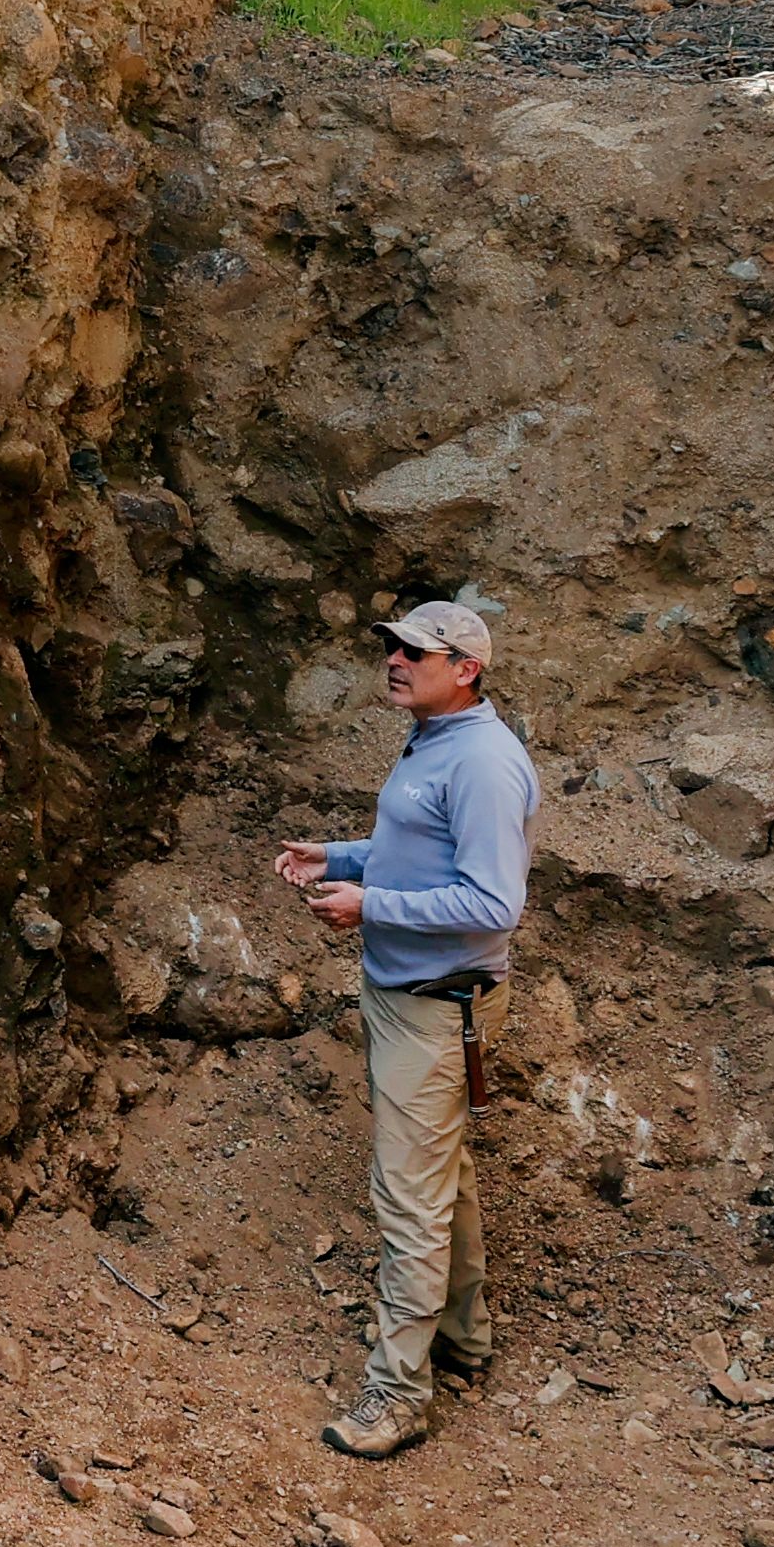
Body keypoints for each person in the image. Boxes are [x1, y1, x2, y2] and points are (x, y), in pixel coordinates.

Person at [273, 598, 538, 1459]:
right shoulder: (436, 740)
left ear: (465, 668)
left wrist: (370, 904)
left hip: (437, 1003)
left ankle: (396, 1396)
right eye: (390, 645)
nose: (394, 658)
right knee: (441, 1173)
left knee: (410, 1198)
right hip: (412, 994)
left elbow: (494, 901)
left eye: (414, 651)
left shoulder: (485, 763)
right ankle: (464, 1337)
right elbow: (421, 846)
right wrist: (340, 858)